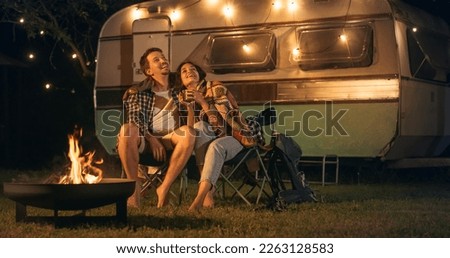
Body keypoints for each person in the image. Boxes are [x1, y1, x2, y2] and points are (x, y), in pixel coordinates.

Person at [117, 48, 196, 208]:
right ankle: (134, 189)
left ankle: (164, 187)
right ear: (148, 71)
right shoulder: (139, 92)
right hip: (146, 143)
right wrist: (151, 138)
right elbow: (135, 119)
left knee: (188, 133)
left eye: (163, 58)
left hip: (171, 141)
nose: (163, 61)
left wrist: (190, 104)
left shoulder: (180, 90)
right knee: (127, 130)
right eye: (156, 60)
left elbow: (191, 123)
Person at [176, 61, 256, 212]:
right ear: (181, 79)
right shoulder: (184, 97)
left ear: (199, 73)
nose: (189, 72)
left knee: (215, 145)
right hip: (208, 143)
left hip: (235, 136)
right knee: (198, 127)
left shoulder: (216, 87)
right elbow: (190, 130)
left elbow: (224, 126)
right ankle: (207, 193)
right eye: (184, 71)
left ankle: (200, 198)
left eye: (193, 69)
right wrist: (189, 107)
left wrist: (203, 102)